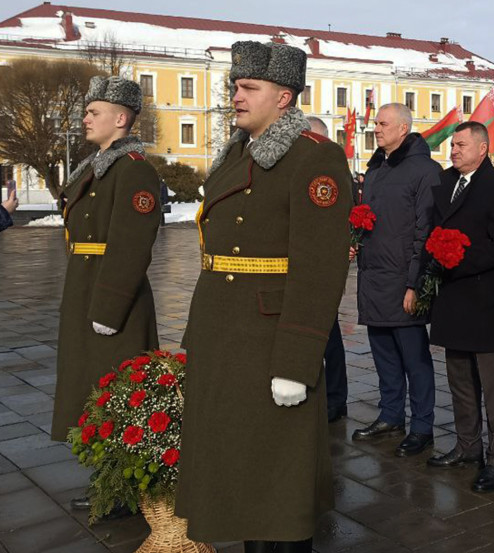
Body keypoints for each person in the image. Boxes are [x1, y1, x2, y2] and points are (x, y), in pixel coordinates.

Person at [175, 41, 352, 552]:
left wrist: (297, 360)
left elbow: (320, 269)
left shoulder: (313, 158)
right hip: (225, 333)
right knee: (240, 470)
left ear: (284, 97)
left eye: (249, 88)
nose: (236, 96)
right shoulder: (237, 150)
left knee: (278, 478)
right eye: (235, 86)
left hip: (269, 340)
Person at [52, 76, 161, 513]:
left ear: (120, 118)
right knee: (93, 388)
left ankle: (124, 489)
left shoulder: (133, 168)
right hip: (86, 286)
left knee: (115, 391)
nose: (85, 119)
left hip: (111, 296)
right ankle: (110, 479)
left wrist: (111, 305)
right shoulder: (101, 165)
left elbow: (132, 244)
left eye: (93, 112)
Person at [425, 122, 494, 493]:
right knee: (460, 381)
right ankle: (468, 448)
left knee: (493, 386)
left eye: (461, 145)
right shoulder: (446, 183)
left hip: (484, 297)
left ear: (483, 149)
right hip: (452, 297)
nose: (453, 150)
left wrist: (454, 259)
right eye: (453, 145)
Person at [351, 103, 439, 457]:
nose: (376, 128)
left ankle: (422, 425)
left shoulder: (424, 170)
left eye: (383, 123)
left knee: (414, 358)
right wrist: (355, 241)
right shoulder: (376, 169)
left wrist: (414, 284)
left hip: (403, 280)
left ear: (403, 129)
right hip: (374, 278)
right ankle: (391, 415)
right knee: (384, 354)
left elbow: (425, 231)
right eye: (376, 123)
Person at [307, 115, 349, 423]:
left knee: (327, 336)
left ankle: (335, 397)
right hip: (296, 265)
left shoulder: (330, 171)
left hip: (321, 267)